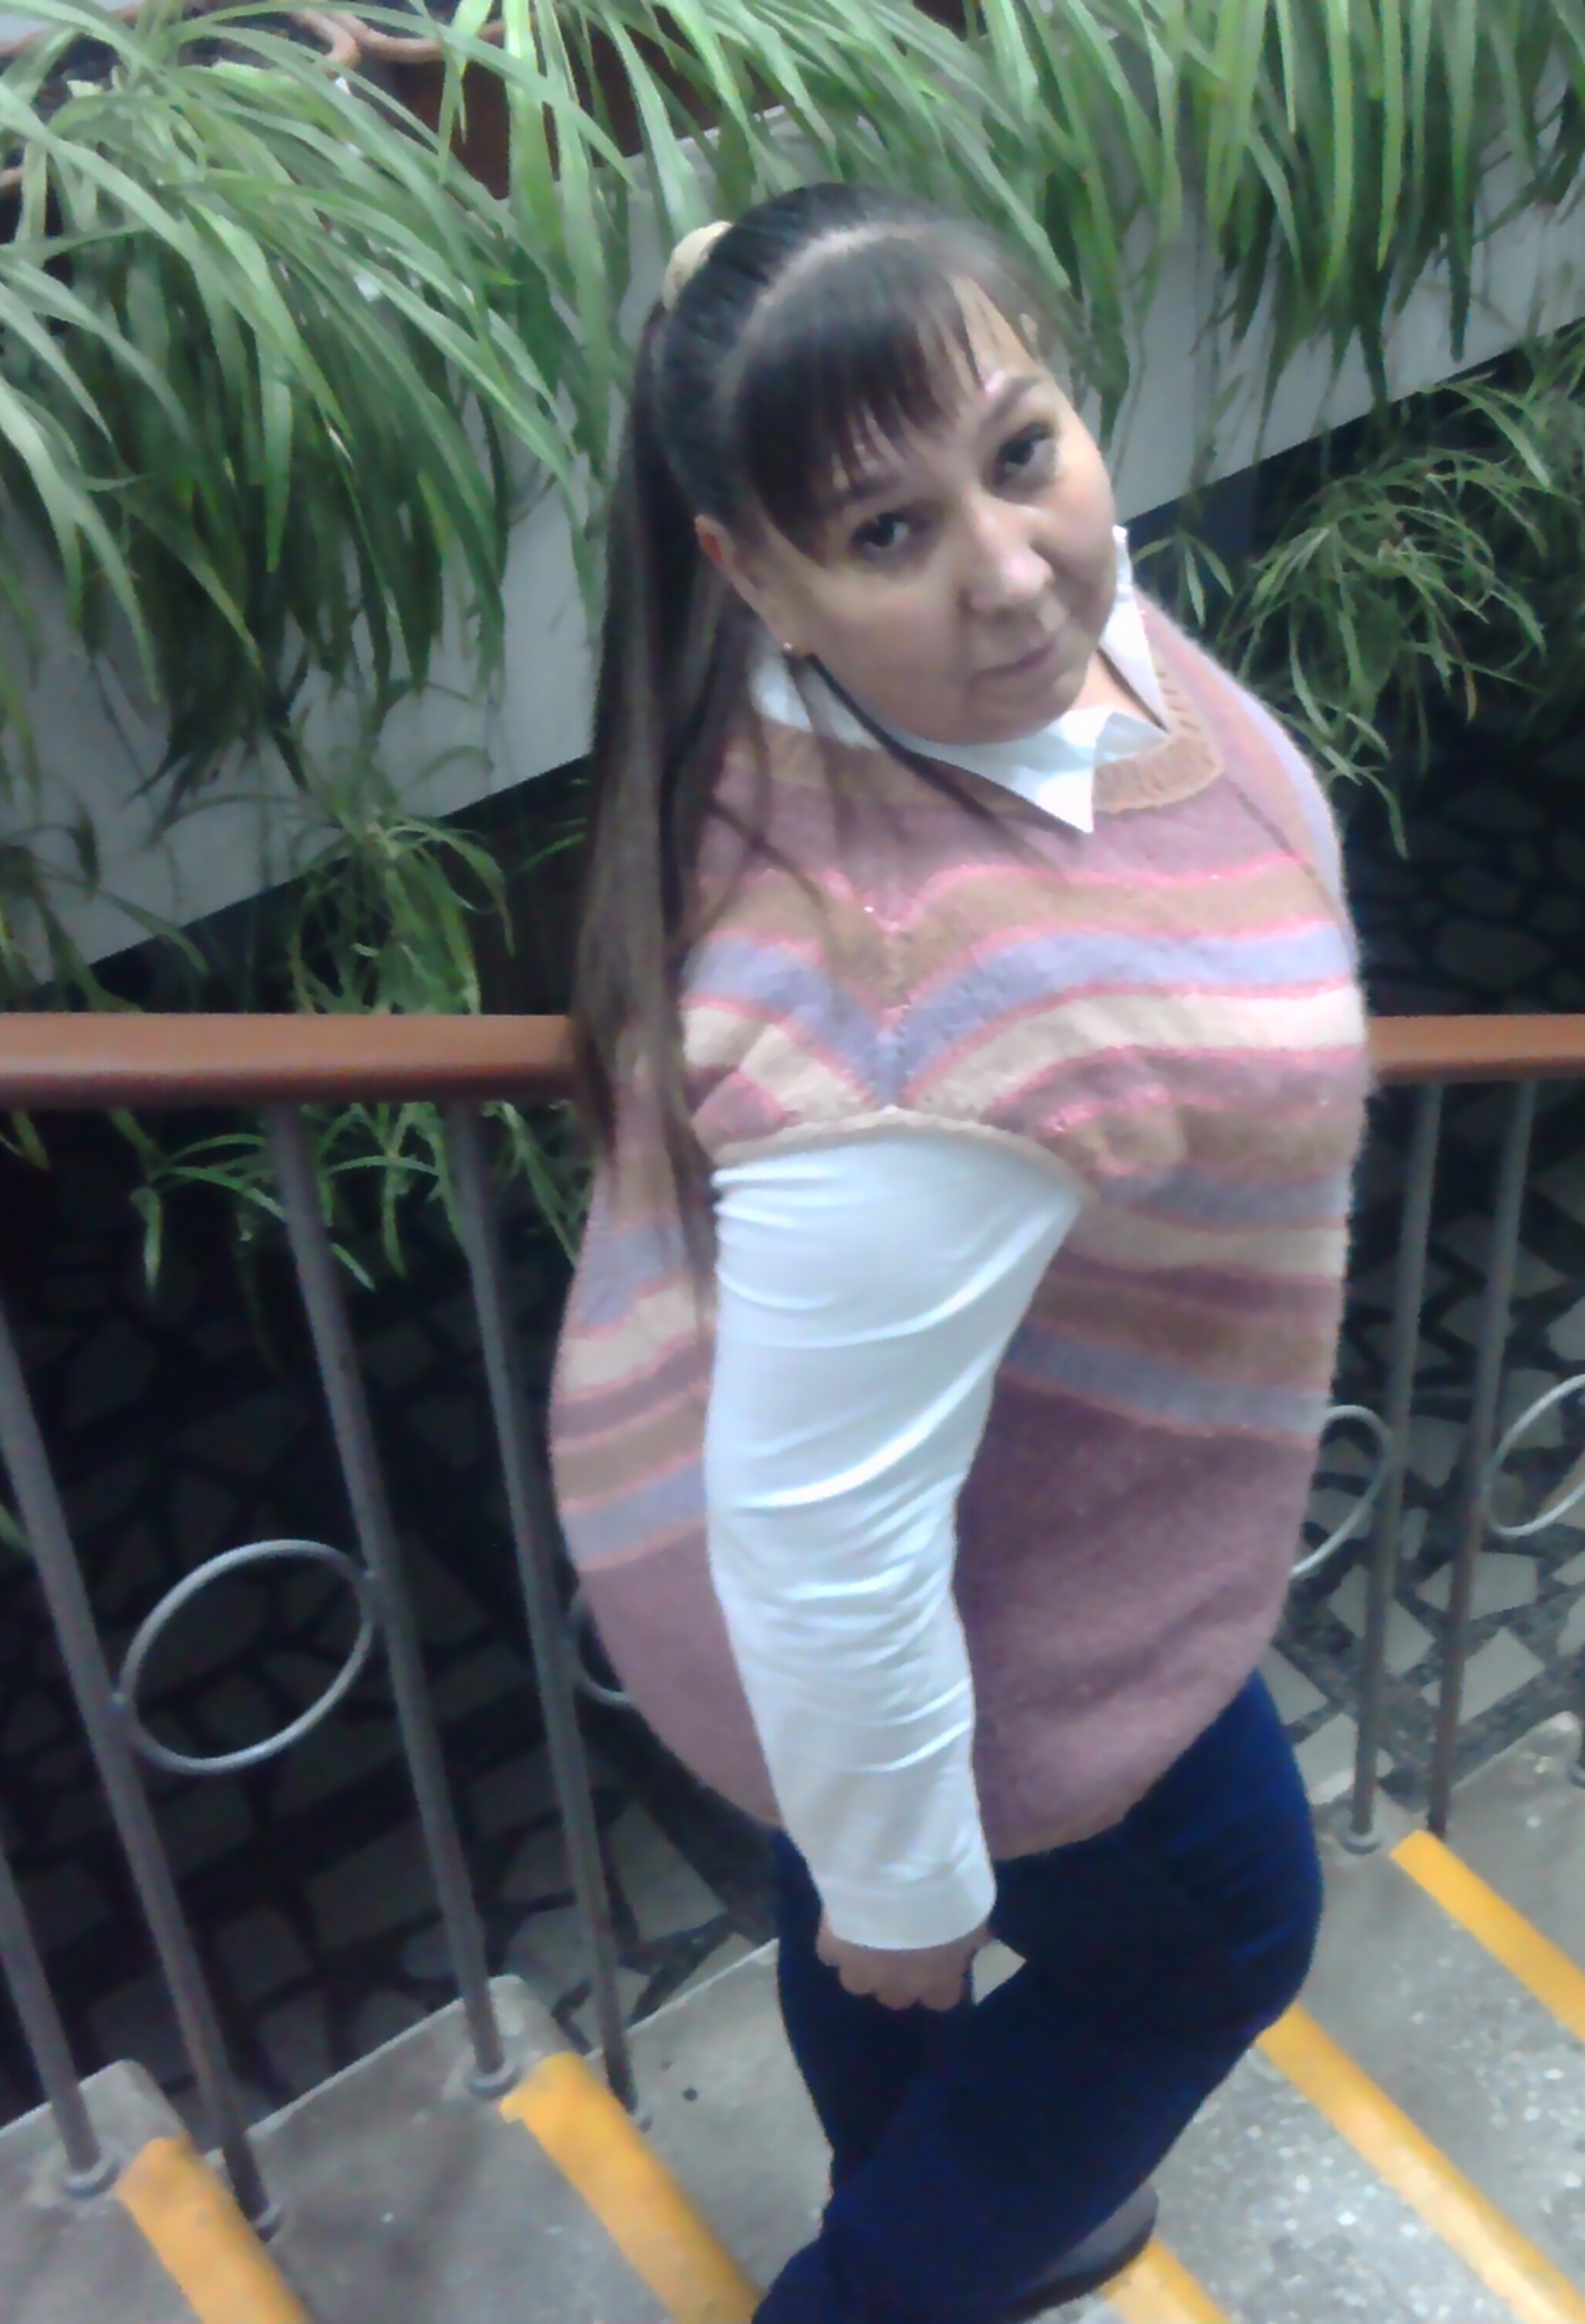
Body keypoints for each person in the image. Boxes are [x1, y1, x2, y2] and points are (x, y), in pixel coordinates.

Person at [547, 180, 1373, 2324]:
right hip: (946, 1596)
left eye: (1024, 451)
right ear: (760, 578)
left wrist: (876, 1877)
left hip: (897, 1507)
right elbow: (827, 1541)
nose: (1011, 572)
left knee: (885, 1939)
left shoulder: (921, 686)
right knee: (1222, 1929)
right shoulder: (912, 1025)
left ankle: (929, 2185)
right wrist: (909, 1881)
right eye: (889, 529)